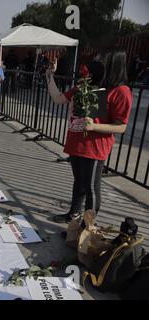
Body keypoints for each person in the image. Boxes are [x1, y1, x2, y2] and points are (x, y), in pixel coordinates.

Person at [46, 50, 132, 223]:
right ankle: (74, 215)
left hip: (95, 147)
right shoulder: (86, 85)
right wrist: (49, 75)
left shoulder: (121, 91)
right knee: (79, 182)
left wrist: (94, 126)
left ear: (112, 66)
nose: (96, 64)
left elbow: (121, 126)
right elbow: (57, 98)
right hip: (76, 143)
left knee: (91, 187)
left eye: (101, 61)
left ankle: (87, 227)